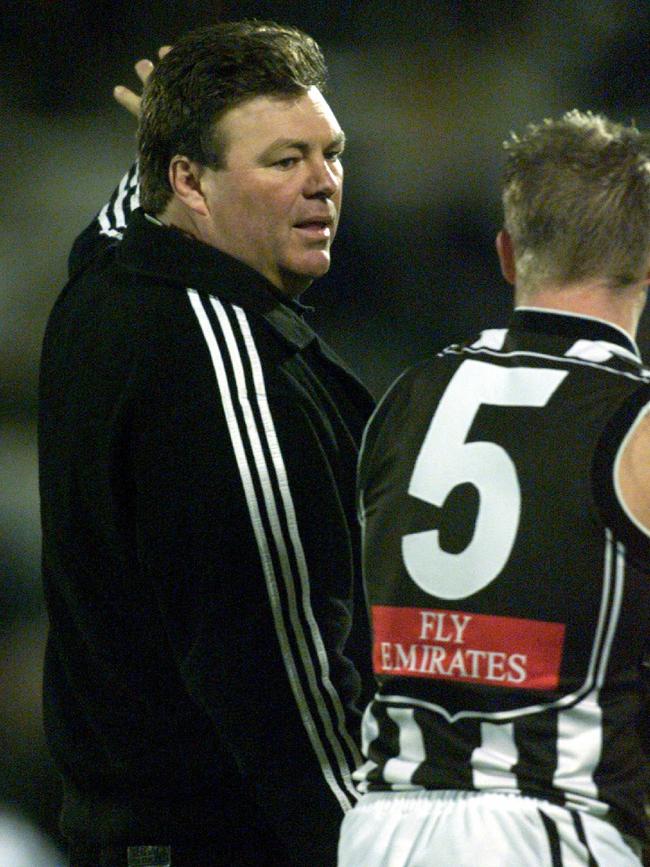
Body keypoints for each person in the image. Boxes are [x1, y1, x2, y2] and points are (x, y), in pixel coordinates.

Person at [38, 20, 375, 867]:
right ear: (189, 181)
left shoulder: (105, 278)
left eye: (330, 152)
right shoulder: (224, 368)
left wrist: (166, 134)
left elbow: (123, 219)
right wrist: (371, 845)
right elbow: (279, 671)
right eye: (283, 160)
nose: (323, 184)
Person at [339, 110, 650, 867]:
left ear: (508, 255)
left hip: (380, 825)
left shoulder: (405, 397)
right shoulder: (637, 422)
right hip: (554, 822)